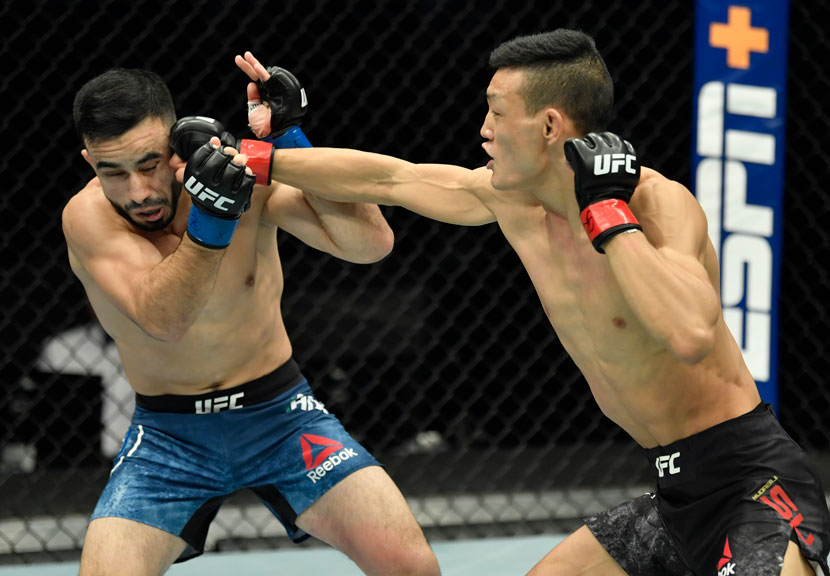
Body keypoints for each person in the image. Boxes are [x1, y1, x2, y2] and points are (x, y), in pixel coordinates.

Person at [234, 29, 830, 576]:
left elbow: (693, 332)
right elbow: (389, 179)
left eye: (496, 112)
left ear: (549, 125)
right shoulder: (510, 202)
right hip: (675, 494)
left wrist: (609, 215)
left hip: (752, 482)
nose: (483, 130)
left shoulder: (657, 203)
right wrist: (260, 159)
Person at [64, 67, 440, 576]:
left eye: (150, 164)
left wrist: (291, 144)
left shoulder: (244, 174)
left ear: (177, 140)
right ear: (89, 161)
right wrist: (212, 216)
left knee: (411, 568)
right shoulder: (88, 217)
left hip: (282, 415)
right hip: (170, 438)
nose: (138, 192)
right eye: (113, 172)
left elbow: (370, 244)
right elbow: (166, 318)